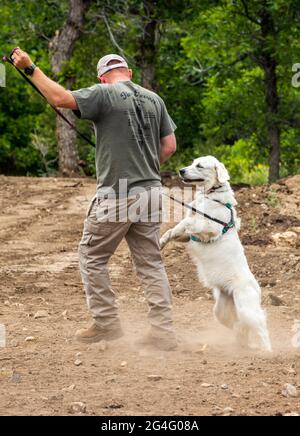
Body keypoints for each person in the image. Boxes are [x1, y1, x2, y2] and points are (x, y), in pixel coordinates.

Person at [12, 49, 178, 350]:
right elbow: (169, 146)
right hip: (152, 192)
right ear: (128, 72)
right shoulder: (155, 99)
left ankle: (106, 324)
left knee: (93, 256)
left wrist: (29, 68)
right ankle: (163, 331)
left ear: (102, 77)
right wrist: (144, 163)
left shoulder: (103, 93)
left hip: (118, 192)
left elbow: (59, 98)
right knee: (151, 263)